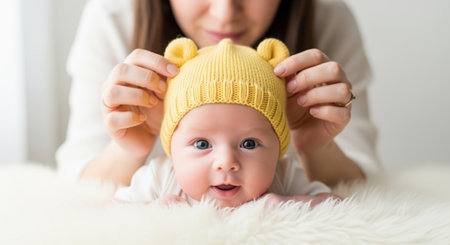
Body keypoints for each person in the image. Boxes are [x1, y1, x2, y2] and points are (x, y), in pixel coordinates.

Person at [57, 0, 379, 187]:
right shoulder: (115, 19)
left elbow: (366, 183)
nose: (225, 13)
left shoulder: (327, 20)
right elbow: (78, 181)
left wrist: (317, 148)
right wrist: (128, 148)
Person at [114, 37, 337, 208]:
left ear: (278, 146)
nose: (226, 162)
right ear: (171, 146)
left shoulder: (284, 175)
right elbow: (112, 214)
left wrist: (291, 205)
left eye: (249, 143)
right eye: (202, 144)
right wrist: (151, 212)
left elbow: (336, 205)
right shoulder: (161, 176)